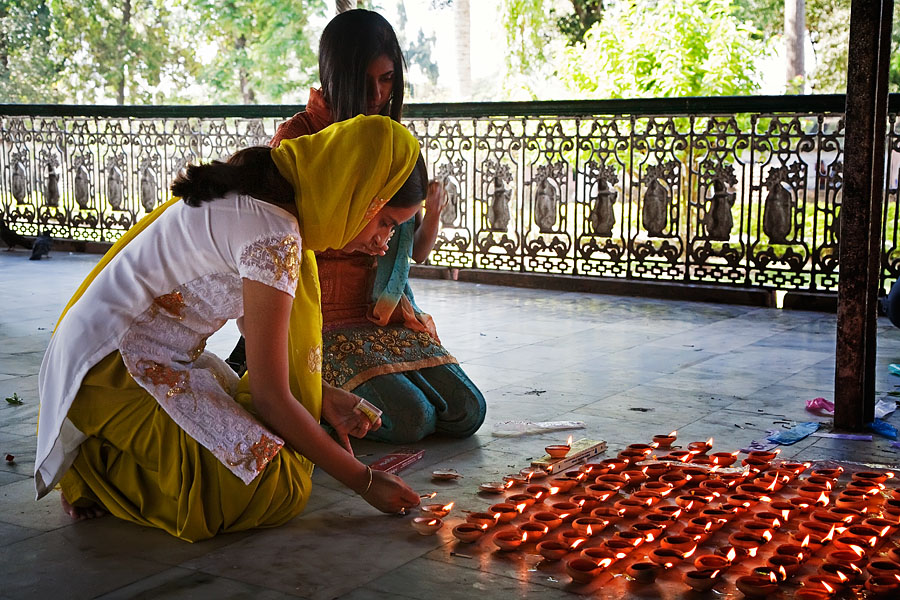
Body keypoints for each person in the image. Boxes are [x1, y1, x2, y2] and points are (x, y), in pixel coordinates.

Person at [34, 115, 422, 542]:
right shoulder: (274, 235)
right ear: (357, 194)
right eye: (386, 221)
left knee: (276, 450)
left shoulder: (263, 202)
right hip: (112, 369)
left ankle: (108, 448)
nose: (385, 242)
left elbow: (263, 350)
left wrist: (322, 397)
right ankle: (94, 466)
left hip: (144, 355)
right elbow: (272, 398)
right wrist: (364, 481)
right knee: (275, 488)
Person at [227, 8, 486, 444]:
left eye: (387, 80)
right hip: (319, 317)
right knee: (410, 419)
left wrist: (414, 222)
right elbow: (272, 246)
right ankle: (298, 403)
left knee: (466, 412)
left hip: (378, 313)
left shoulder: (389, 139)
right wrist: (353, 240)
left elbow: (407, 247)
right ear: (334, 76)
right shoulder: (299, 140)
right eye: (364, 82)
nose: (377, 94)